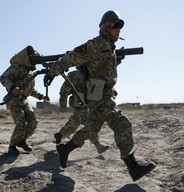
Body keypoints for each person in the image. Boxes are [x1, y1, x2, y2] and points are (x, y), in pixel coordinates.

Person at [43, 10, 156, 181]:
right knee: (122, 125)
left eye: (120, 28)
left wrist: (118, 59)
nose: (119, 31)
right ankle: (133, 167)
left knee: (91, 128)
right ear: (106, 26)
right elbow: (72, 57)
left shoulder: (110, 48)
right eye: (116, 27)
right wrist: (52, 72)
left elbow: (102, 67)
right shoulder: (96, 44)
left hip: (103, 95)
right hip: (100, 96)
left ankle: (65, 149)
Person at [0, 45, 50, 155]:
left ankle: (22, 141)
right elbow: (3, 78)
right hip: (14, 100)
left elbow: (31, 90)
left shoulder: (31, 73)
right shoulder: (16, 68)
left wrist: (41, 97)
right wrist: (12, 88)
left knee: (33, 122)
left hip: (24, 101)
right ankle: (12, 146)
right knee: (21, 123)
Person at [54, 67, 109, 154]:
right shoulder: (74, 74)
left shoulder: (92, 73)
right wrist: (63, 104)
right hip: (78, 103)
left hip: (88, 103)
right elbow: (64, 89)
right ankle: (98, 145)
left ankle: (60, 135)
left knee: (75, 121)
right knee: (89, 123)